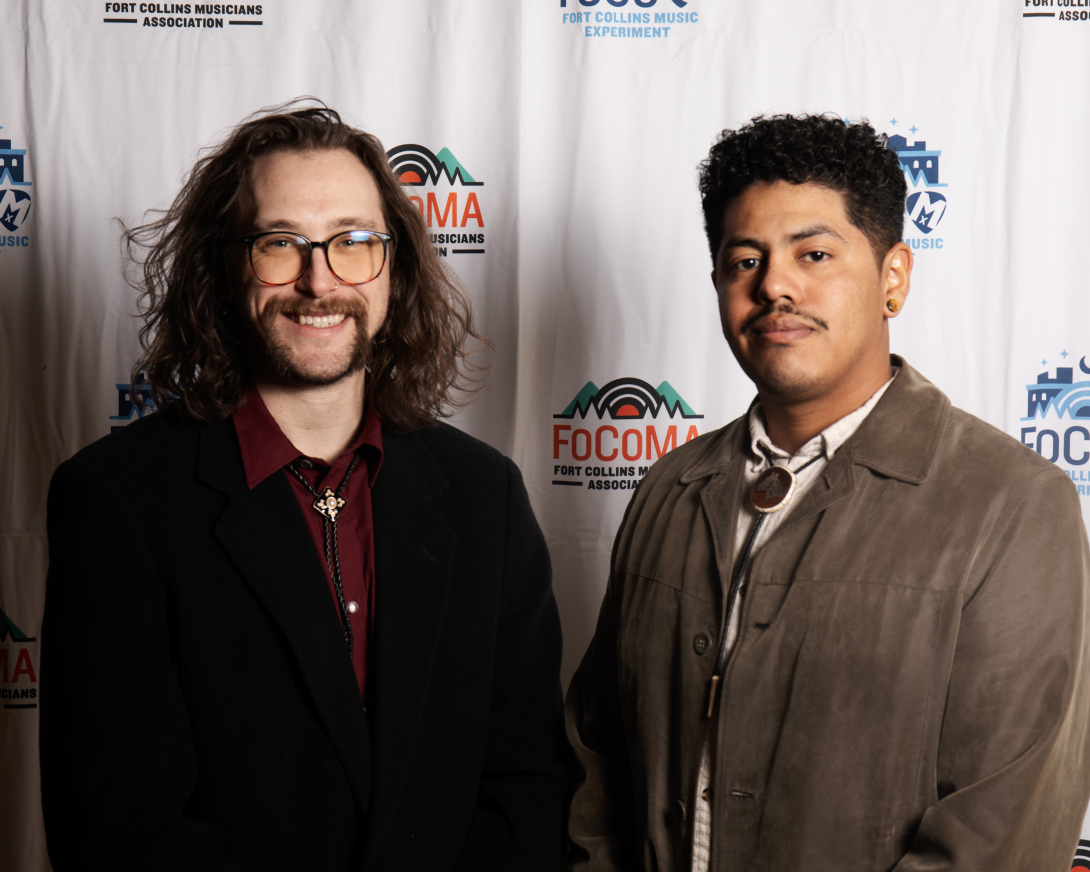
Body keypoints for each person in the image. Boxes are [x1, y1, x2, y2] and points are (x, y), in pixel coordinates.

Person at [40, 104, 565, 872]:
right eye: (280, 243)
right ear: (225, 267)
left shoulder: (486, 496)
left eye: (354, 242)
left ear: (395, 268)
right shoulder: (117, 500)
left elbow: (528, 785)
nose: (320, 281)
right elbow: (117, 824)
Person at [565, 114, 1090, 871]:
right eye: (745, 260)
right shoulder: (669, 489)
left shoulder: (1010, 504)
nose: (775, 284)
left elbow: (1003, 831)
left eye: (814, 253)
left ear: (894, 278)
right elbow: (598, 758)